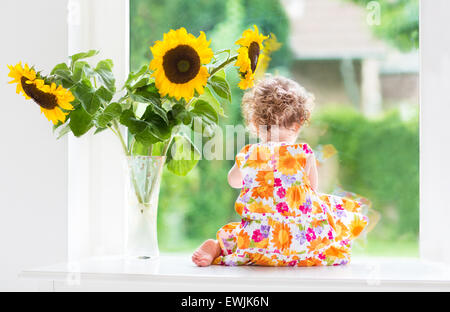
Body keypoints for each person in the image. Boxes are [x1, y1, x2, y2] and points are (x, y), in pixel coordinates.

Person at [192, 76, 368, 267]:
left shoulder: (250, 154)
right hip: (299, 241)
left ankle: (218, 246)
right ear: (300, 122)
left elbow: (233, 181)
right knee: (327, 225)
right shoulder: (304, 154)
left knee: (242, 236)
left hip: (259, 239)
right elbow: (312, 194)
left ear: (254, 122)